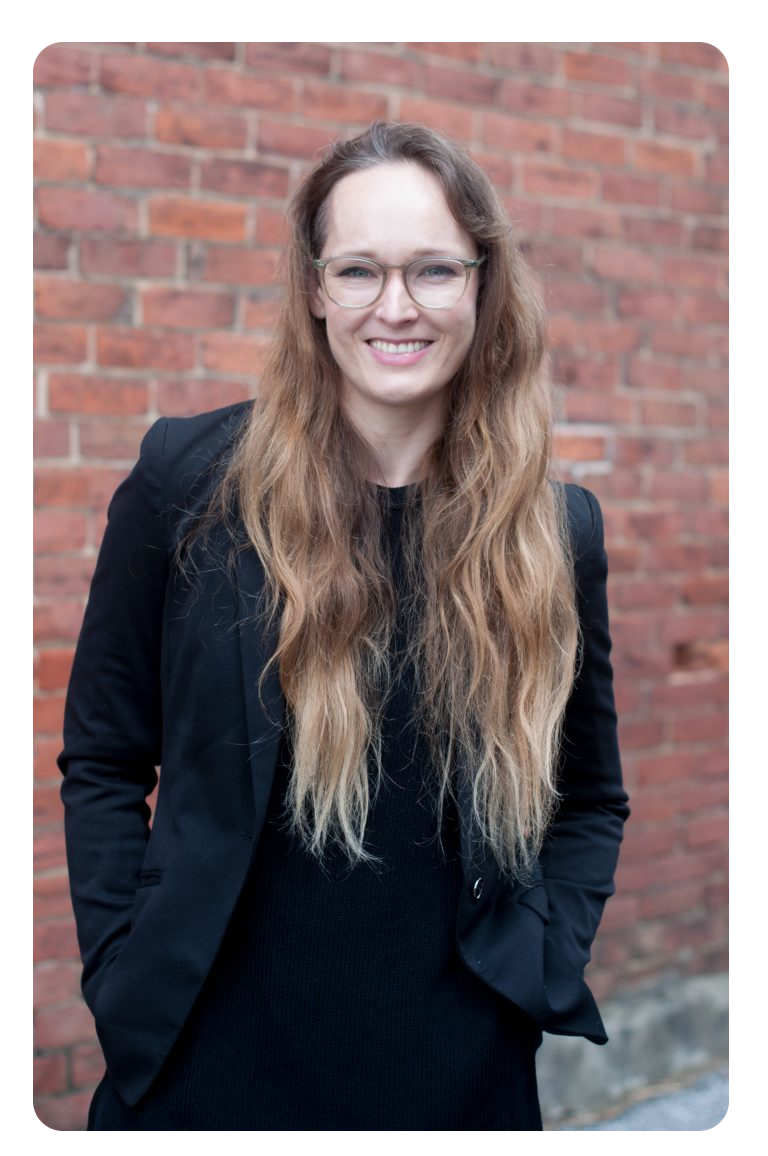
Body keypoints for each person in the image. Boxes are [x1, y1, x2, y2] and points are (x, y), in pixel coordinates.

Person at [58, 119, 630, 1132]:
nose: (395, 307)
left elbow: (589, 796)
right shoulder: (187, 486)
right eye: (359, 269)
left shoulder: (551, 532)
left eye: (433, 270)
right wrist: (117, 966)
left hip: (457, 1084)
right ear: (314, 287)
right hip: (203, 1077)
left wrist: (542, 961)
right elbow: (104, 756)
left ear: (483, 285)